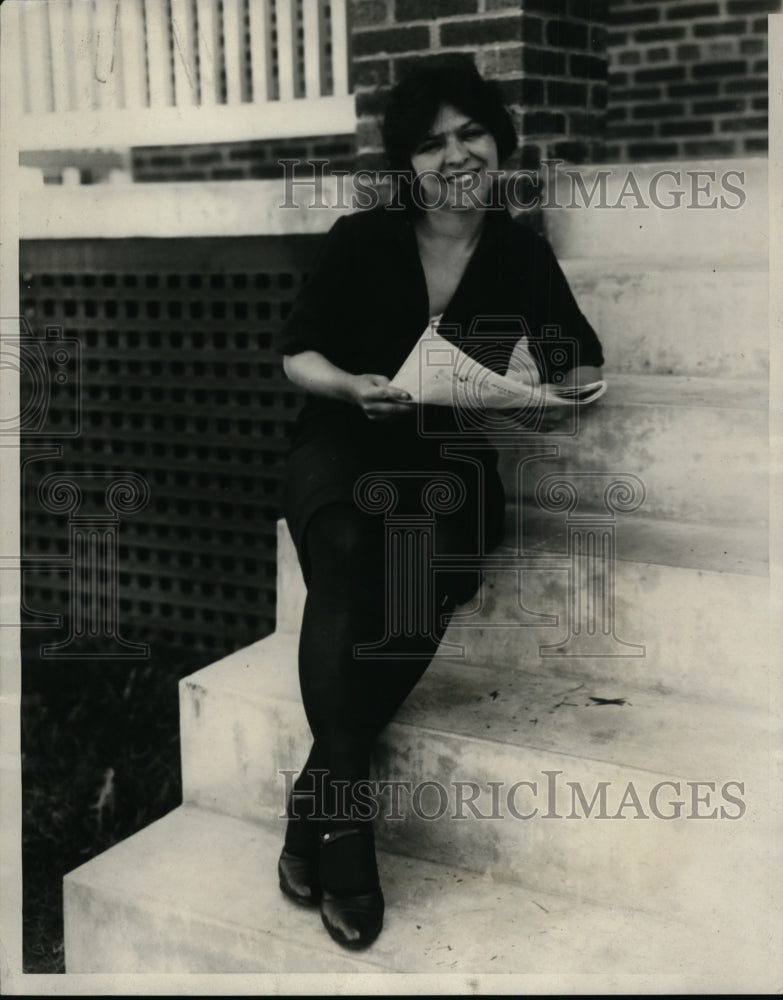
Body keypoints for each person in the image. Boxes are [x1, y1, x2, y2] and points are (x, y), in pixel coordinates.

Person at [272, 55, 604, 950]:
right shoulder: (360, 238)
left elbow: (580, 365)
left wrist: (548, 381)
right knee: (346, 556)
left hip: (442, 457)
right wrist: (348, 386)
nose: (455, 156)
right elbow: (296, 355)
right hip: (341, 439)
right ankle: (347, 830)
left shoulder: (521, 254)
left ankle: (314, 796)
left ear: (498, 143)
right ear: (405, 165)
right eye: (430, 145)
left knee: (426, 580)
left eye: (470, 135)